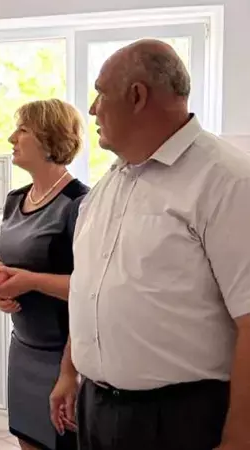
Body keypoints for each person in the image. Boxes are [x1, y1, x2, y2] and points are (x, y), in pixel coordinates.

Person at [50, 39, 250, 450]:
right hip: (97, 408)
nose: (92, 109)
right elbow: (91, 289)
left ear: (137, 96)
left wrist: (239, 437)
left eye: (100, 93)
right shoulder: (109, 184)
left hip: (180, 419)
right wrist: (70, 370)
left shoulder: (227, 182)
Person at [0, 99, 88, 450]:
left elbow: (90, 288)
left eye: (23, 130)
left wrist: (30, 281)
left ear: (49, 139)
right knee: (27, 438)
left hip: (64, 355)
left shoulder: (79, 203)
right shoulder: (14, 199)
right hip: (22, 348)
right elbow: (3, 266)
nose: (11, 138)